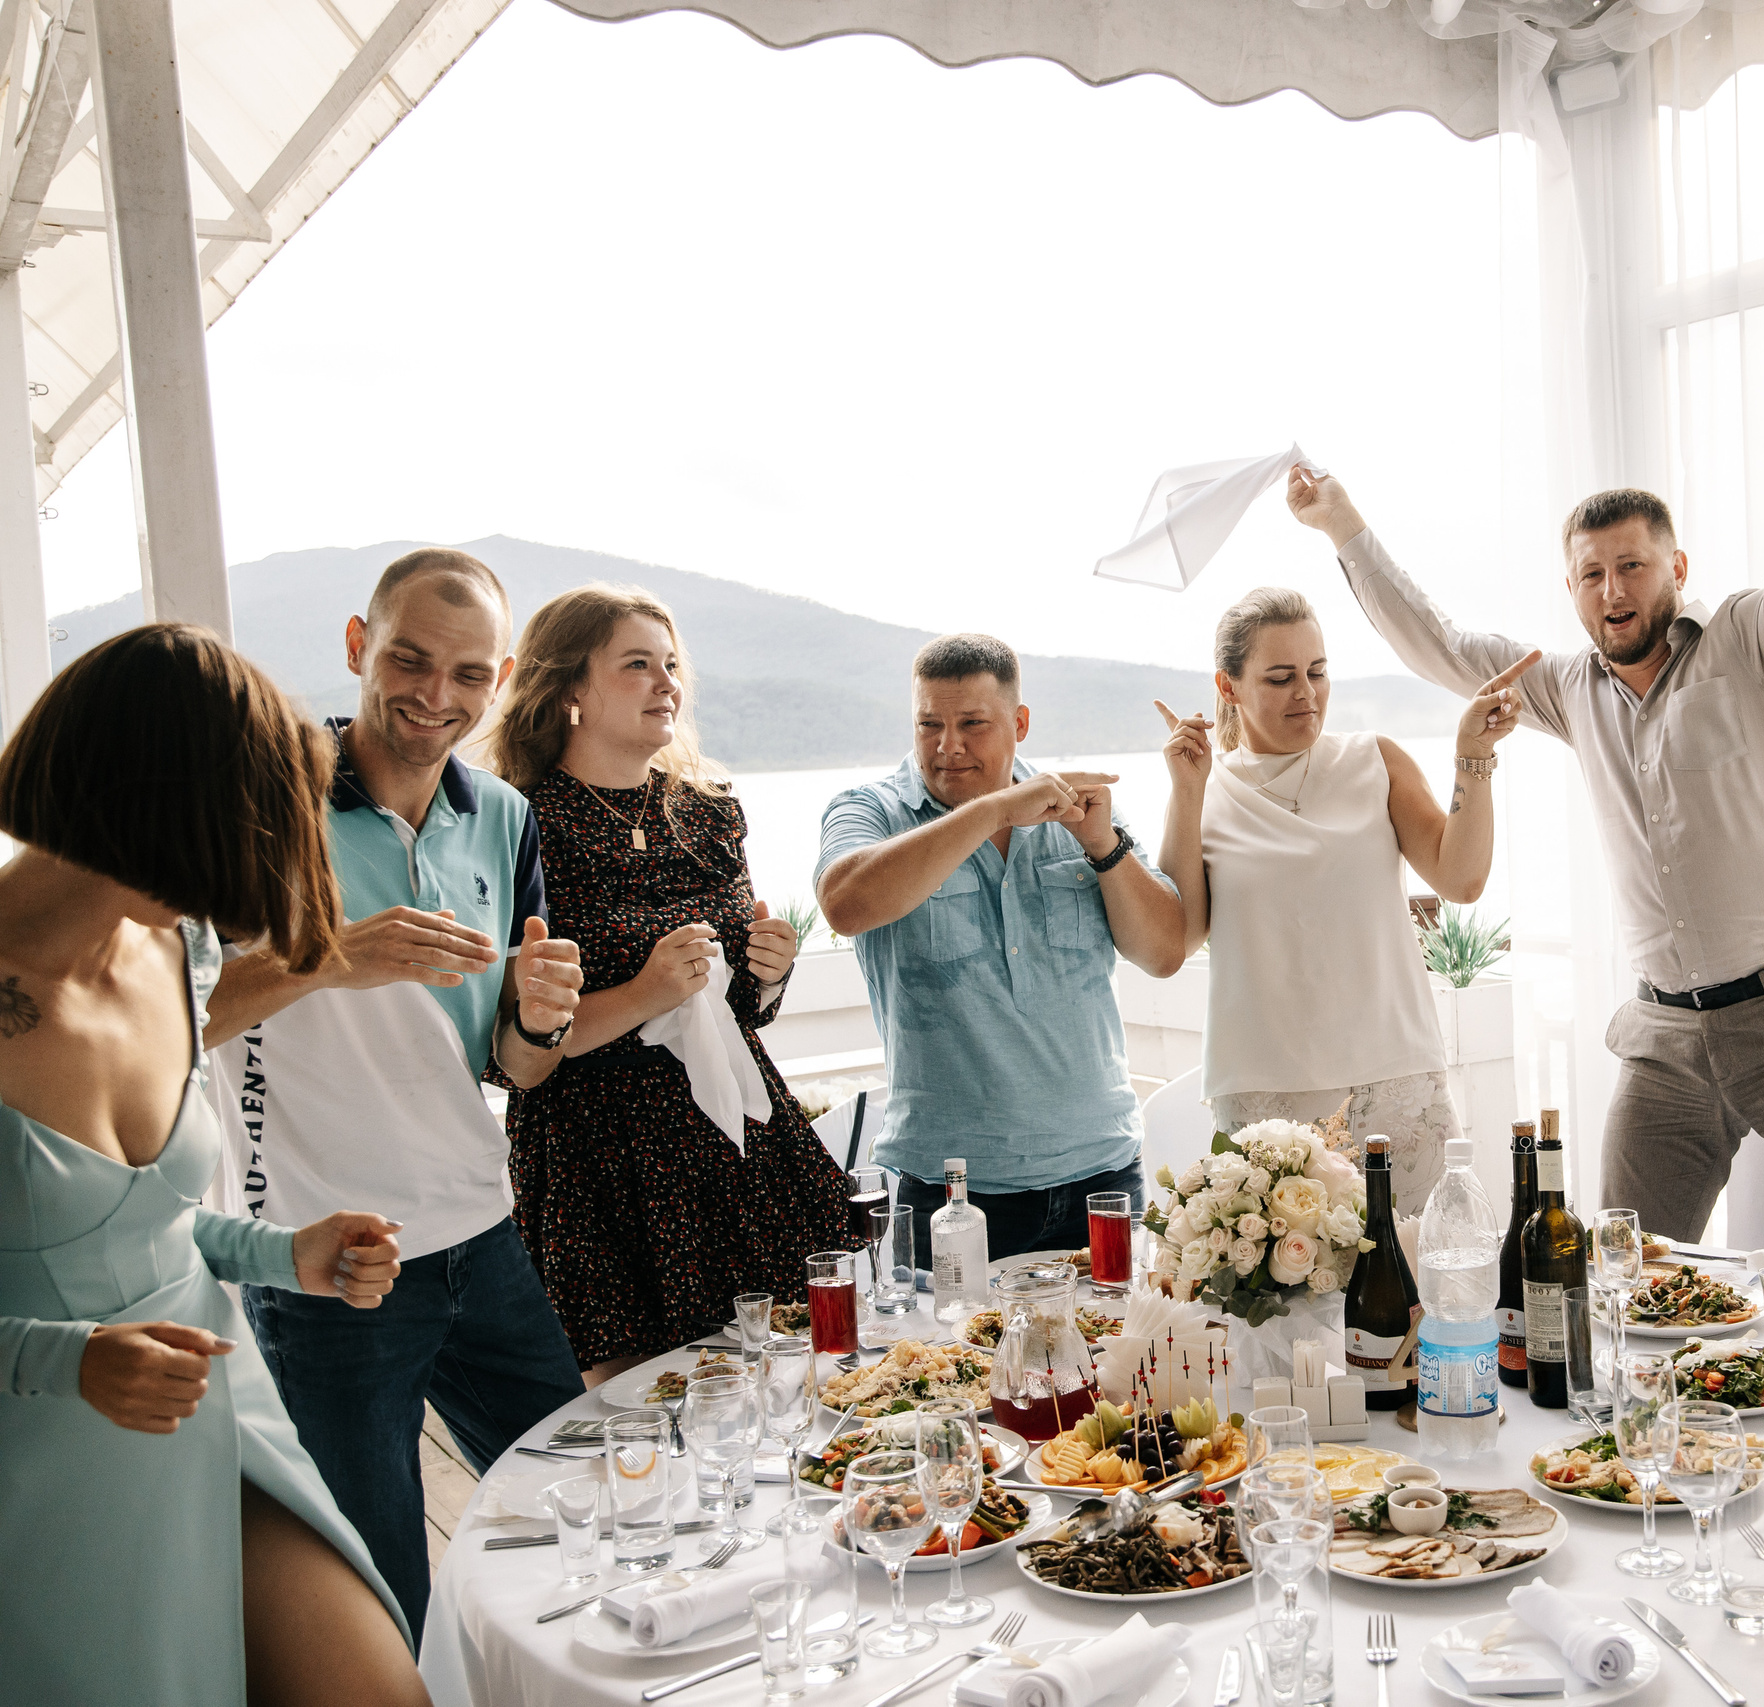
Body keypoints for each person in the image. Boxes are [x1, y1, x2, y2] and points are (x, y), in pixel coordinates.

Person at [1288, 308, 1764, 1287]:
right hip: (1665, 1041)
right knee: (1610, 1280)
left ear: (1675, 570)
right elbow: (1438, 643)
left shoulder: (1755, 642)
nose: (1613, 589)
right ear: (1571, 590)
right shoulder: (1567, 689)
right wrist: (1344, 529)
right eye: (1591, 573)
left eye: (1632, 566)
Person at [0, 623, 425, 1706]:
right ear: (152, 805)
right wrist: (71, 1361)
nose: (232, 890)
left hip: (220, 1407)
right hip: (45, 1465)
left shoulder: (173, 951)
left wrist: (290, 1253)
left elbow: (145, 1227)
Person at [206, 549, 588, 1637]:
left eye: (469, 675)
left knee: (588, 1510)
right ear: (355, 645)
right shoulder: (257, 799)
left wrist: (540, 1014)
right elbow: (179, 1014)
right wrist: (327, 957)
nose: (435, 695)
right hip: (332, 1263)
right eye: (409, 659)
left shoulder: (505, 817)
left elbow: (509, 1069)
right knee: (378, 1594)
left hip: (483, 1234)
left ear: (501, 678)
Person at [483, 584, 856, 1380]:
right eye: (637, 664)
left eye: (672, 663)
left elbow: (741, 1012)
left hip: (737, 1143)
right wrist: (645, 993)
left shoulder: (711, 812)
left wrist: (769, 972)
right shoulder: (517, 827)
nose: (666, 682)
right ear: (571, 689)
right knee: (639, 1409)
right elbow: (506, 1043)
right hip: (599, 1160)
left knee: (790, 1379)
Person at [1152, 587, 1535, 1205]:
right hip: (1265, 1092)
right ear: (1228, 687)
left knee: (1422, 1282)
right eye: (1280, 678)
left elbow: (1460, 880)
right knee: (1289, 1296)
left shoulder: (1374, 760)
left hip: (1395, 1077)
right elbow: (1182, 934)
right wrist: (1186, 791)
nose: (1306, 693)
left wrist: (1473, 755)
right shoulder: (1205, 788)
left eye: (1317, 671)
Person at [817, 634, 1188, 1261]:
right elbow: (845, 903)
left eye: (972, 725)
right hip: (948, 1191)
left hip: (1103, 1175)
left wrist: (1104, 846)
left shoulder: (1080, 812)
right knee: (946, 1363)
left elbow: (1162, 952)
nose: (947, 745)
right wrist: (995, 810)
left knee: (1119, 1360)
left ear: (1018, 724)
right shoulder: (870, 810)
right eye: (929, 724)